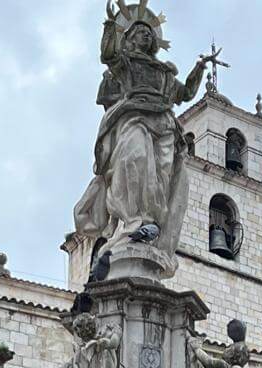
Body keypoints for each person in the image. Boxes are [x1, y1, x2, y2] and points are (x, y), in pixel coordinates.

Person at [74, 1, 213, 268]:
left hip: (164, 123)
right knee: (134, 160)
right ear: (130, 38)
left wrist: (198, 69)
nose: (146, 35)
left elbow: (184, 95)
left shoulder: (163, 72)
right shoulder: (125, 64)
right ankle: (132, 221)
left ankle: (148, 224)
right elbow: (108, 55)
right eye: (140, 31)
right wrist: (110, 26)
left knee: (159, 178)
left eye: (149, 33)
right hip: (133, 117)